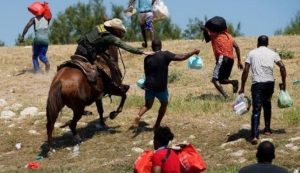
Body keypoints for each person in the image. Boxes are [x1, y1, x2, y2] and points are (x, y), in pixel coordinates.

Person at [131, 39, 200, 129]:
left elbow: (146, 72)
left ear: (152, 47)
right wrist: (193, 52)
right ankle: (157, 124)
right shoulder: (165, 54)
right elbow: (182, 57)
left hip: (149, 85)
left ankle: (138, 115)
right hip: (160, 86)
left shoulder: (147, 58)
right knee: (164, 103)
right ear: (161, 46)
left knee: (147, 105)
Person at [74, 18, 152, 94]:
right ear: (116, 30)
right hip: (88, 54)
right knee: (101, 73)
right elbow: (125, 46)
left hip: (79, 48)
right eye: (120, 31)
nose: (121, 33)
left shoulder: (100, 27)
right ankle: (106, 89)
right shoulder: (111, 38)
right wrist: (141, 52)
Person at [239, 35, 286, 145]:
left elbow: (246, 70)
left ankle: (255, 135)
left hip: (257, 84)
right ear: (267, 43)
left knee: (256, 108)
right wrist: (284, 82)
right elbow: (282, 67)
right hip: (270, 83)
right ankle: (268, 129)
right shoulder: (272, 53)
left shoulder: (252, 53)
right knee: (267, 104)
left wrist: (242, 86)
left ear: (257, 43)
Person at [201, 25, 243, 99]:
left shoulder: (215, 33)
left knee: (214, 79)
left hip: (222, 58)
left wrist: (205, 28)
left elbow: (205, 34)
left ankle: (226, 97)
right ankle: (233, 82)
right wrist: (239, 60)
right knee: (222, 80)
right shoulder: (229, 36)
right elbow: (236, 47)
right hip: (231, 59)